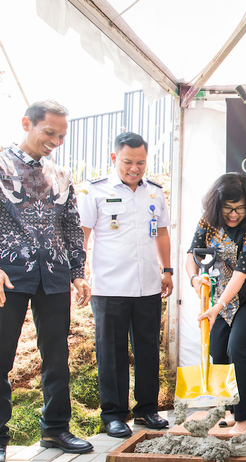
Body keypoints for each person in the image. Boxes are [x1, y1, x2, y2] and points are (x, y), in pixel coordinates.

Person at [0, 100, 94, 462]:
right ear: (27, 124)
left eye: (61, 135)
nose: (55, 140)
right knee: (1, 357)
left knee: (56, 356)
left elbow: (71, 225)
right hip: (9, 273)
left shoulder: (62, 175)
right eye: (48, 132)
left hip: (54, 275)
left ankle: (55, 428)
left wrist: (78, 271)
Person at [78, 132, 171, 438]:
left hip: (147, 285)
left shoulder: (155, 194)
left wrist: (167, 270)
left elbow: (161, 234)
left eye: (141, 162)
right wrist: (78, 273)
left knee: (147, 350)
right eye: (129, 161)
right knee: (112, 352)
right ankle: (114, 415)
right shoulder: (95, 192)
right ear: (115, 158)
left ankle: (146, 410)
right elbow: (84, 235)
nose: (135, 168)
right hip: (109, 287)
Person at [185, 173, 246, 434]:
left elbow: (241, 274)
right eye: (228, 209)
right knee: (218, 350)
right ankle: (231, 410)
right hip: (222, 295)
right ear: (217, 206)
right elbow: (192, 254)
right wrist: (194, 278)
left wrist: (217, 307)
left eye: (240, 208)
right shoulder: (207, 221)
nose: (234, 214)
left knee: (238, 348)